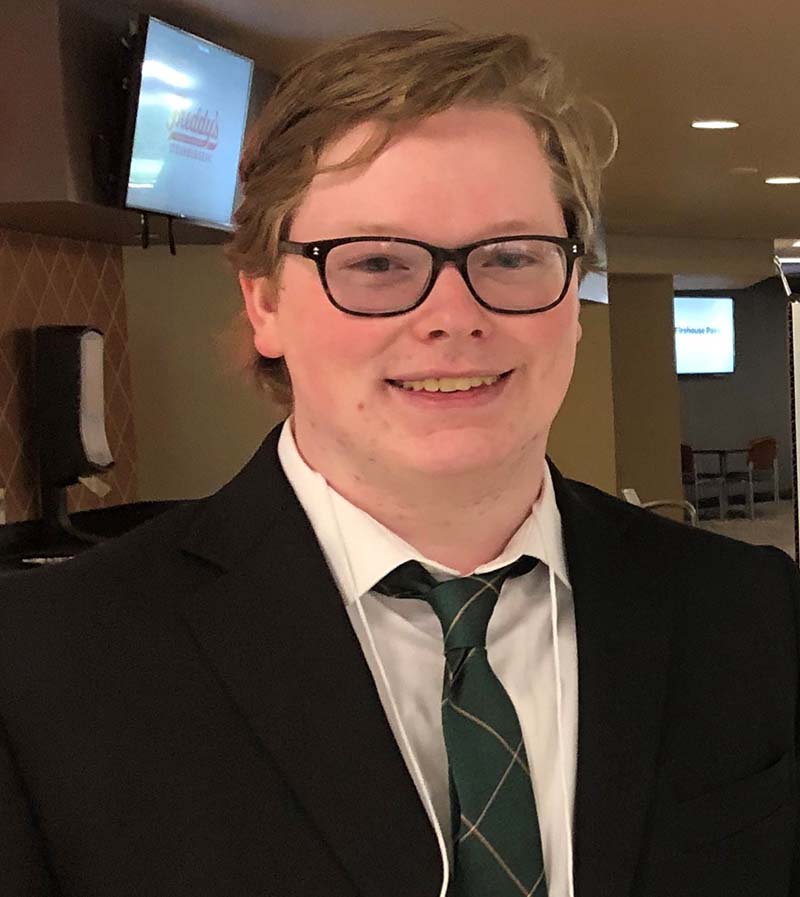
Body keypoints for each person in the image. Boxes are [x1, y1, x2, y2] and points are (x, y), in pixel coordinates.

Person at [0, 26, 798, 897]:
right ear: (264, 301)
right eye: (377, 261)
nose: (453, 315)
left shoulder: (750, 614)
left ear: (572, 297)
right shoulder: (47, 665)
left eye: (510, 256)